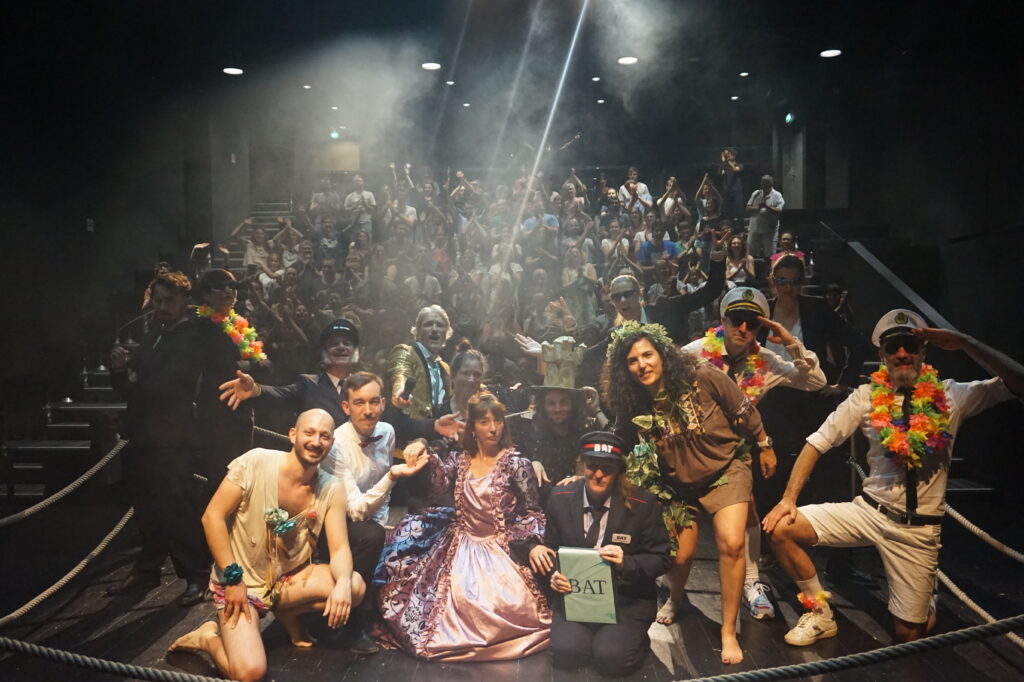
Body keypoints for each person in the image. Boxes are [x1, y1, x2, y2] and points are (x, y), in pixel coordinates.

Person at [763, 309, 1024, 646]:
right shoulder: (866, 396)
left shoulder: (951, 396)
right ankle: (819, 613)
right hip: (869, 512)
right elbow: (817, 443)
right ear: (882, 354)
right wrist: (788, 499)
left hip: (918, 530)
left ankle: (925, 597)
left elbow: (1018, 381)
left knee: (909, 634)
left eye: (910, 346)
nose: (902, 353)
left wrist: (966, 343)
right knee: (781, 529)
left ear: (923, 352)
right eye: (893, 347)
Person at [605, 322, 777, 664]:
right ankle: (676, 596)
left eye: (647, 355)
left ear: (663, 354)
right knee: (680, 557)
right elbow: (619, 440)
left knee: (732, 543)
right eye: (632, 360)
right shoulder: (634, 402)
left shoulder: (702, 375)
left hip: (726, 470)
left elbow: (742, 408)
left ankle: (728, 631)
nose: (642, 364)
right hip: (677, 484)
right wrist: (585, 470)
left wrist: (764, 444)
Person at [167, 410, 365, 681]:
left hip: (287, 581)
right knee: (249, 673)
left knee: (354, 587)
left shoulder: (332, 488)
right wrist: (233, 578)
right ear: (292, 434)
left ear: (331, 443)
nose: (316, 441)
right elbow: (212, 517)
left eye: (324, 436)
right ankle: (207, 639)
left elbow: (340, 548)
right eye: (309, 432)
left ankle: (285, 610)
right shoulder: (256, 462)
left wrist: (341, 583)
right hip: (239, 583)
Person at [682, 287, 827, 620]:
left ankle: (750, 581)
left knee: (747, 511)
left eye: (752, 322)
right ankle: (675, 593)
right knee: (681, 529)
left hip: (735, 453)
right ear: (722, 320)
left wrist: (790, 343)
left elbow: (816, 382)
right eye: (736, 319)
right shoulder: (694, 353)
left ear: (762, 326)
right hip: (693, 450)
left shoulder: (768, 362)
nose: (743, 328)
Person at [375, 392, 551, 660]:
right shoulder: (461, 460)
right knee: (444, 596)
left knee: (503, 604)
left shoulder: (516, 464)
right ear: (472, 428)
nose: (493, 428)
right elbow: (438, 487)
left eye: (497, 421)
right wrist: (425, 450)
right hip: (460, 542)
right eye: (484, 422)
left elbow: (531, 511)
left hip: (500, 549)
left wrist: (532, 542)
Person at [108, 271, 211, 606]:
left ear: (185, 300)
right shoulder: (156, 334)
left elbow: (166, 388)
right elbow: (135, 389)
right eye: (158, 300)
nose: (162, 306)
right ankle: (147, 570)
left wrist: (132, 381)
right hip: (144, 436)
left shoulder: (192, 337)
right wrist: (120, 371)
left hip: (172, 440)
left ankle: (196, 575)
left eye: (169, 300)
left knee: (177, 509)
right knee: (146, 510)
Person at [541, 432, 671, 677]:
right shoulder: (559, 498)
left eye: (607, 468)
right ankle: (597, 637)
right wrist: (554, 574)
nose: (599, 474)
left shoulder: (643, 503)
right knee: (568, 653)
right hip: (576, 597)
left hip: (626, 599)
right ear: (582, 465)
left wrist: (626, 563)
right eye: (592, 466)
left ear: (619, 470)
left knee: (612, 659)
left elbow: (662, 558)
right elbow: (550, 548)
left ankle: (631, 641)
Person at [320, 371, 431, 654]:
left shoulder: (388, 432)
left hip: (371, 518)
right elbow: (355, 511)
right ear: (346, 407)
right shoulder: (336, 444)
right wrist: (392, 476)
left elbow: (381, 498)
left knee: (409, 530)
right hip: (332, 524)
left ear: (383, 403)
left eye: (373, 402)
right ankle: (351, 626)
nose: (367, 410)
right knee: (371, 534)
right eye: (359, 403)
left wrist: (421, 441)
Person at [217, 318, 461, 443]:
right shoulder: (309, 384)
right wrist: (256, 389)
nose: (341, 347)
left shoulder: (370, 388)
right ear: (324, 352)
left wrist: (434, 426)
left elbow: (397, 423)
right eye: (334, 343)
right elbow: (281, 395)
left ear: (356, 352)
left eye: (347, 343)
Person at [194, 269, 260, 491]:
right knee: (221, 476)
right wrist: (244, 365)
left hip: (243, 408)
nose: (228, 290)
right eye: (220, 286)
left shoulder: (240, 324)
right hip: (216, 410)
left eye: (232, 286)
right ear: (206, 294)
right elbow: (220, 365)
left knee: (245, 473)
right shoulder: (201, 326)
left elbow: (263, 363)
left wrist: (245, 366)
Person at [387, 305, 452, 420]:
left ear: (446, 333)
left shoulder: (444, 367)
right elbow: (400, 373)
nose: (434, 329)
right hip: (408, 428)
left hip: (438, 428)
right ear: (418, 332)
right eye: (428, 324)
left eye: (440, 325)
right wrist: (399, 390)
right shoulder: (406, 352)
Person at [745, 175, 784, 259]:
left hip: (770, 230)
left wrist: (766, 206)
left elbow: (779, 210)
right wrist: (759, 207)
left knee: (769, 255)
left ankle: (768, 268)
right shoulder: (756, 193)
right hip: (754, 228)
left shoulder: (777, 195)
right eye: (762, 182)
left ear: (771, 183)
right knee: (750, 254)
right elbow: (747, 208)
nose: (764, 184)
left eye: (767, 182)